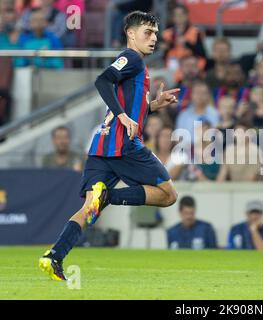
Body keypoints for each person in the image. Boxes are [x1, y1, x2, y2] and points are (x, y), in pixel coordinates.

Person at [39, 12, 180, 281]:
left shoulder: (136, 65)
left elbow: (129, 105)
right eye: (148, 32)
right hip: (123, 145)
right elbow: (102, 80)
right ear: (131, 34)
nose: (154, 38)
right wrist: (123, 116)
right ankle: (110, 196)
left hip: (100, 146)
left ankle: (54, 257)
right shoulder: (133, 58)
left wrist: (152, 106)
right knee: (168, 195)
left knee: (89, 208)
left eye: (156, 33)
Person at [161, 4, 206, 82]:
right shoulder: (167, 33)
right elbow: (162, 54)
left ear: (186, 15)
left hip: (191, 70)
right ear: (173, 18)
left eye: (181, 14)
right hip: (172, 69)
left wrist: (187, 44)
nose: (179, 17)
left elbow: (202, 53)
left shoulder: (195, 32)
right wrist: (167, 46)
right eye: (176, 15)